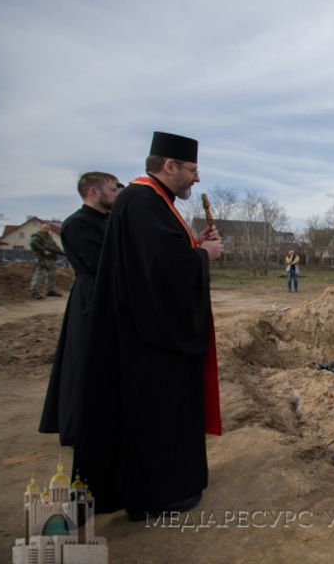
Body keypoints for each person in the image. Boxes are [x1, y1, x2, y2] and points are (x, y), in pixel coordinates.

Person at [72, 131, 224, 519]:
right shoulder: (143, 201)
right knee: (157, 416)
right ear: (170, 165)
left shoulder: (149, 201)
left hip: (143, 332)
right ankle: (160, 494)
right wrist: (203, 256)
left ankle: (158, 489)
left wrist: (193, 246)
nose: (197, 178)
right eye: (192, 169)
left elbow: (157, 258)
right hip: (151, 340)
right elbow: (162, 272)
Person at [39, 172, 121, 446]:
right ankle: (79, 428)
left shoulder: (108, 220)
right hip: (91, 298)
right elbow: (102, 263)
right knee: (84, 361)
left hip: (110, 293)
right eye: (112, 189)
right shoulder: (78, 224)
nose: (116, 193)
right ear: (93, 191)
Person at [29, 222, 63, 299]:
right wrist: (43, 250)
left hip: (50, 259)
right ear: (40, 228)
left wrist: (63, 253)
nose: (47, 229)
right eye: (45, 228)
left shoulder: (49, 237)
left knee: (52, 276)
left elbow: (55, 247)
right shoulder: (37, 236)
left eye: (48, 228)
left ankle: (50, 291)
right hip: (41, 259)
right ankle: (34, 292)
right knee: (38, 276)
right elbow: (32, 243)